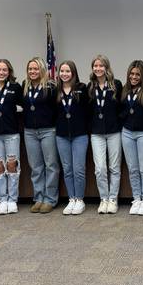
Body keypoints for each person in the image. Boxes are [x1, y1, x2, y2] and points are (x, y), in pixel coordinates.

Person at [21, 57, 60, 213]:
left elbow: (57, 108)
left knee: (51, 166)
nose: (32, 71)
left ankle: (50, 199)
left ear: (42, 69)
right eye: (30, 69)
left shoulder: (50, 87)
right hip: (30, 131)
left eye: (36, 68)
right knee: (36, 167)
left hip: (48, 130)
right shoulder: (24, 86)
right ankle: (39, 197)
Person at [87, 55, 123, 214]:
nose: (98, 68)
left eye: (101, 66)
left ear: (107, 68)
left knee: (114, 167)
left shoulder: (116, 85)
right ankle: (104, 198)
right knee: (100, 168)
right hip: (96, 133)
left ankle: (113, 199)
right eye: (95, 66)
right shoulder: (90, 87)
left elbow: (121, 107)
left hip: (114, 132)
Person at [0, 59, 23, 215]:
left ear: (9, 72)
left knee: (12, 166)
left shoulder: (15, 88)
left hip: (11, 133)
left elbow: (24, 105)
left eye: (5, 70)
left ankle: (13, 200)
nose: (1, 72)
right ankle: (2, 199)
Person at [55, 61, 90, 215]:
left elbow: (88, 109)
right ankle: (72, 199)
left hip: (80, 135)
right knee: (67, 169)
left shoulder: (81, 88)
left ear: (73, 73)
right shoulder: (55, 90)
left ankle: (80, 199)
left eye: (67, 71)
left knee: (79, 169)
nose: (64, 74)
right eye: (62, 71)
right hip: (62, 135)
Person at [119, 60, 143, 215]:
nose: (134, 77)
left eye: (137, 74)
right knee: (133, 168)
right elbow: (121, 111)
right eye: (131, 74)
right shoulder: (125, 90)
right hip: (127, 133)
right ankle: (136, 198)